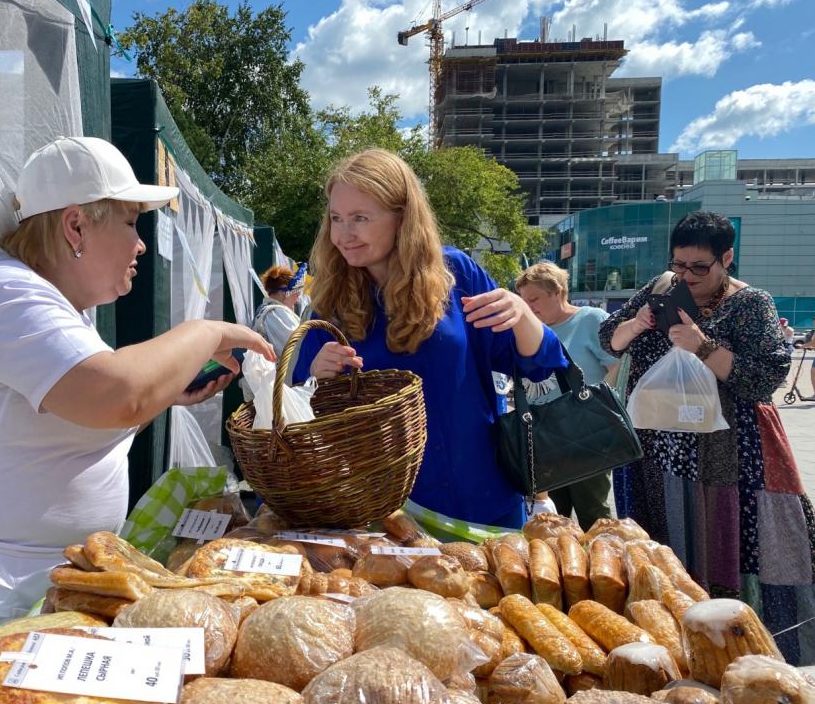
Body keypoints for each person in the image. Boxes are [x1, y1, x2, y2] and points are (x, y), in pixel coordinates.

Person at [0, 137, 274, 669]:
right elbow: (117, 395)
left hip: (20, 597)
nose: (141, 245)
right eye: (131, 222)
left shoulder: (57, 306)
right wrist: (204, 333)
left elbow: (80, 413)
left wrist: (167, 393)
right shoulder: (5, 295)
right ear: (75, 227)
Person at [291, 148, 567, 529]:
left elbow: (540, 366)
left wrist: (522, 316)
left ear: (402, 217)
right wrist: (317, 378)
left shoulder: (456, 274)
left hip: (482, 503)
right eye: (336, 218)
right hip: (385, 516)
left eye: (360, 218)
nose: (343, 234)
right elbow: (298, 408)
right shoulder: (329, 302)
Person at [599, 210, 815, 664]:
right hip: (657, 444)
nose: (687, 276)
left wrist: (703, 345)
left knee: (727, 542)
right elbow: (609, 339)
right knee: (659, 539)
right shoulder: (661, 287)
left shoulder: (752, 302)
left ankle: (736, 650)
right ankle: (664, 643)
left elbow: (762, 379)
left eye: (700, 267)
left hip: (728, 451)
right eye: (679, 264)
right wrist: (637, 324)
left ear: (727, 258)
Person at [516, 262, 618, 528]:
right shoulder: (531, 329)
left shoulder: (591, 319)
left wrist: (596, 412)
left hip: (586, 434)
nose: (529, 307)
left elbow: (616, 369)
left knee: (593, 513)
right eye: (524, 301)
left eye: (534, 299)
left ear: (557, 291)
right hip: (543, 436)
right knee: (549, 520)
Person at [252, 263, 304, 355]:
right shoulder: (276, 313)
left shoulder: (268, 310)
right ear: (285, 291)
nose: (297, 299)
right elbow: (298, 349)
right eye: (297, 293)